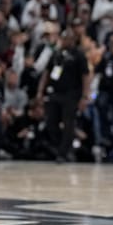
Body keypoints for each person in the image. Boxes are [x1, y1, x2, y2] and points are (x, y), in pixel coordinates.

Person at [37, 29, 91, 163]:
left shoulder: (79, 55)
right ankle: (63, 148)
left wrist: (85, 96)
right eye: (64, 38)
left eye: (68, 38)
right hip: (55, 92)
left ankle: (63, 153)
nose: (65, 41)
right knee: (51, 122)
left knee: (68, 124)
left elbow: (85, 75)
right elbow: (47, 73)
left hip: (71, 94)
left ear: (73, 40)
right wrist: (40, 91)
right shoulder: (56, 54)